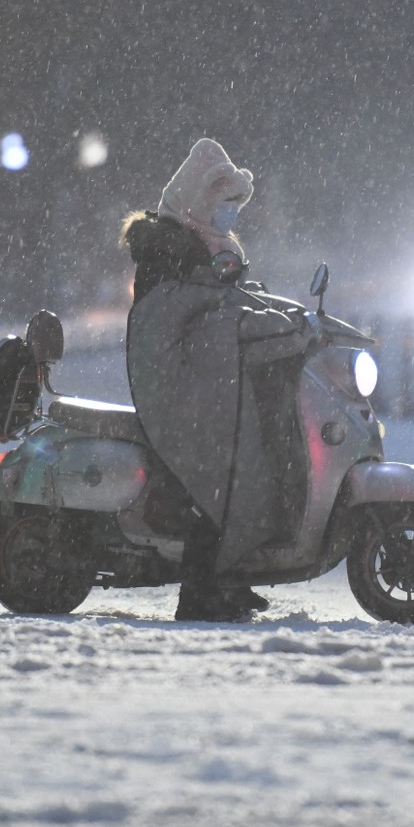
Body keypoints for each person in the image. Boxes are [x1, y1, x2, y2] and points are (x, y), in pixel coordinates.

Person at [122, 138, 312, 621]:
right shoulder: (173, 248)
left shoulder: (205, 241)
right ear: (200, 201)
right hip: (178, 381)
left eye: (234, 205)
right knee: (219, 467)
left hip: (202, 376)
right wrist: (248, 324)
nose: (231, 214)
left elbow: (225, 304)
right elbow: (186, 321)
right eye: (224, 204)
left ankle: (230, 573)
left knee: (254, 452)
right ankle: (202, 588)